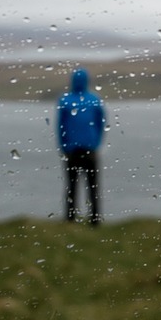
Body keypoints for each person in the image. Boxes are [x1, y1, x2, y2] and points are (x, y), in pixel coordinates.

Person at [56, 68, 105, 225]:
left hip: (72, 151)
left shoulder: (65, 101)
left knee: (72, 186)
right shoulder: (94, 99)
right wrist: (96, 142)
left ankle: (70, 219)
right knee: (92, 186)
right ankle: (95, 219)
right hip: (90, 149)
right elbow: (101, 123)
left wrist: (64, 146)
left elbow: (60, 127)